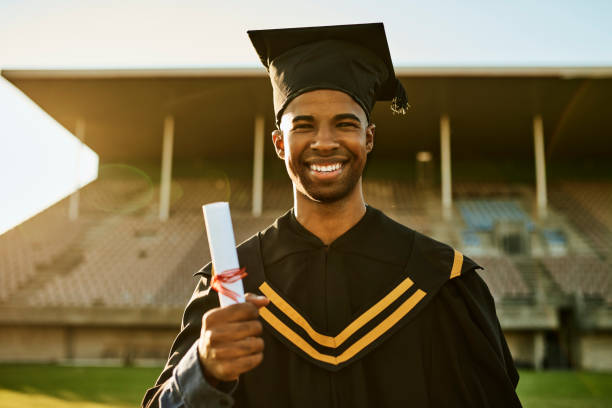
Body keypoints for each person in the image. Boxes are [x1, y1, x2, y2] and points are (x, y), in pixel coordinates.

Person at [142, 23, 522, 407]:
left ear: (368, 138)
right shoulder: (229, 286)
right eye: (303, 126)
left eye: (345, 124)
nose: (324, 142)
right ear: (279, 143)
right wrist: (203, 371)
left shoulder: (441, 281)